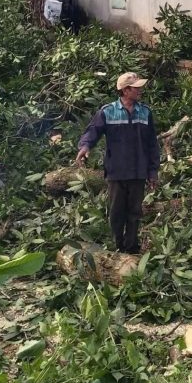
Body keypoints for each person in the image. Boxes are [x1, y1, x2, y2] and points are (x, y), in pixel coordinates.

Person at [76, 73, 160, 254]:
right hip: (116, 171)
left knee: (134, 213)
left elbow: (152, 144)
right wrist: (84, 147)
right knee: (116, 212)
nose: (140, 90)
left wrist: (153, 172)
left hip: (139, 172)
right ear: (125, 90)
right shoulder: (107, 112)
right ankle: (117, 246)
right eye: (136, 87)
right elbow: (92, 132)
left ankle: (131, 249)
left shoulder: (145, 112)